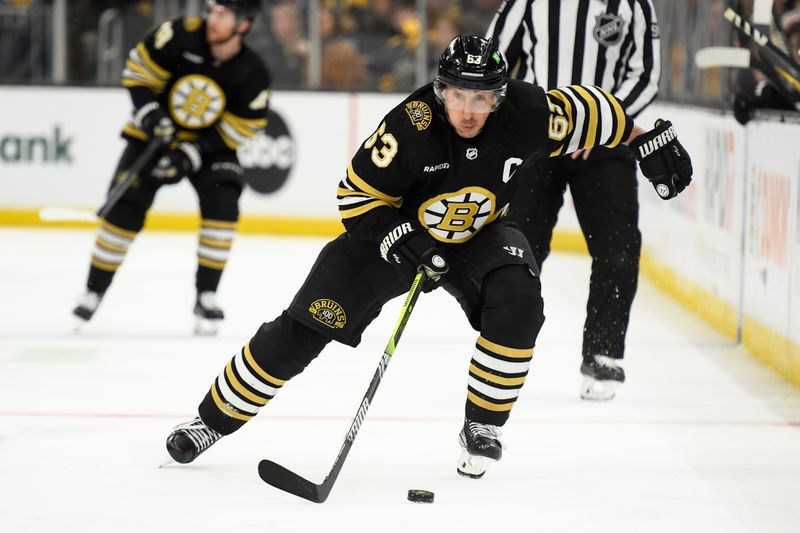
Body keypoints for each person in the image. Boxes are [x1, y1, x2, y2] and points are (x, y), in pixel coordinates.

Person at [164, 36, 691, 479]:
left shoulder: (529, 112)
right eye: (458, 95)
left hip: (479, 235)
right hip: (392, 240)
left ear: (500, 96)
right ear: (441, 91)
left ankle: (481, 426)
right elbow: (353, 197)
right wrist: (406, 239)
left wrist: (647, 140)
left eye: (482, 98)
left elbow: (593, 111)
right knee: (303, 330)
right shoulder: (410, 126)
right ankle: (211, 420)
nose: (468, 109)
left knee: (519, 300)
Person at [487, 0, 663, 400]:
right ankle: (503, 346)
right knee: (518, 249)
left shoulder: (633, 4)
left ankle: (603, 352)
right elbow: (492, 61)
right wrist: (536, 121)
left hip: (608, 143)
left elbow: (646, 76)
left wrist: (597, 123)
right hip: (537, 141)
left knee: (618, 250)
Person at [72, 0, 271, 335]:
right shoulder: (179, 35)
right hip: (154, 134)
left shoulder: (253, 72)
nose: (213, 19)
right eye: (213, 11)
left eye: (224, 14)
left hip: (207, 146)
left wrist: (191, 153)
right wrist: (151, 114)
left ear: (244, 24)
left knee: (224, 200)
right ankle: (93, 290)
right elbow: (138, 73)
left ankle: (206, 295)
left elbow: (240, 129)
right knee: (124, 206)